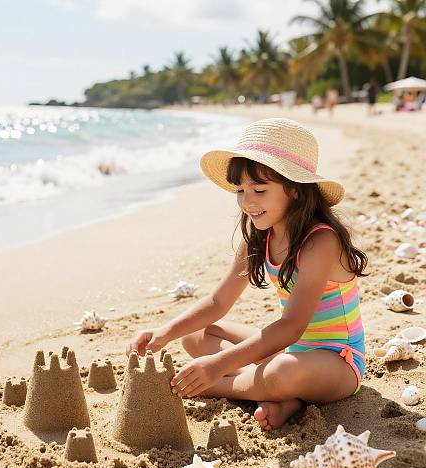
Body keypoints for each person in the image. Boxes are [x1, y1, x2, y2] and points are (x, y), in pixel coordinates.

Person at [125, 118, 368, 431]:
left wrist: (217, 369)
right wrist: (165, 332)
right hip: (292, 351)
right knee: (196, 334)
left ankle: (229, 386)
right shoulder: (259, 237)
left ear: (294, 189)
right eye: (240, 190)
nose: (247, 201)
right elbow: (218, 301)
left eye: (260, 189)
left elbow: (292, 326)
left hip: (338, 362)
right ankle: (283, 399)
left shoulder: (320, 241)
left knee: (281, 373)